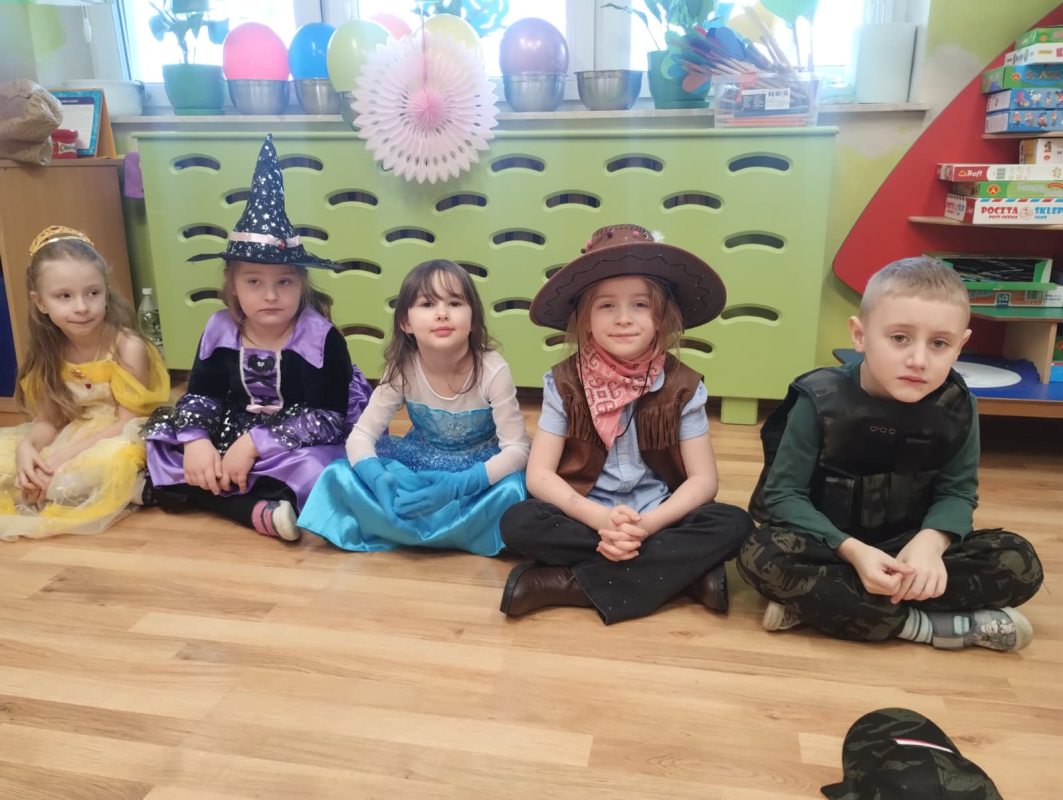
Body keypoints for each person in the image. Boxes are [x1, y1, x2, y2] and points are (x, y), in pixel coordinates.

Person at [739, 256, 1043, 651]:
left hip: (910, 550)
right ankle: (930, 626)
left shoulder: (960, 406)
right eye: (900, 338)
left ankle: (827, 605)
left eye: (939, 343)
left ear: (960, 346)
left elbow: (958, 492)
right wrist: (852, 551)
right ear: (860, 335)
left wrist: (931, 544)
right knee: (759, 554)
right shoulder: (817, 399)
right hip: (831, 547)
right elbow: (783, 495)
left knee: (1020, 562)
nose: (918, 360)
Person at [498, 223, 753, 624]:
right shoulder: (563, 383)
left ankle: (565, 585)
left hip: (658, 515)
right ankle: (682, 578)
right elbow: (540, 476)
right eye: (606, 306)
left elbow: (704, 481)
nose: (623, 319)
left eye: (639, 305)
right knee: (517, 523)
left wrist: (646, 527)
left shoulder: (683, 386)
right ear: (584, 319)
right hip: (587, 515)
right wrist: (602, 521)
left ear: (661, 317)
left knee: (734, 524)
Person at [143, 135, 371, 542]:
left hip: (296, 437)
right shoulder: (219, 328)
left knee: (323, 471)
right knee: (164, 443)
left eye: (284, 282)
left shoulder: (321, 338)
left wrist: (255, 444)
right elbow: (202, 394)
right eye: (254, 281)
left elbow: (328, 417)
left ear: (301, 284)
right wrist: (197, 442)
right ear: (232, 283)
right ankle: (250, 506)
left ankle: (224, 498)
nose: (270, 295)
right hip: (233, 425)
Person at [297, 259, 529, 556]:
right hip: (420, 462)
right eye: (427, 304)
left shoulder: (493, 370)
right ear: (405, 322)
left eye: (455, 303)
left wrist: (464, 483)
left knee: (511, 490)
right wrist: (375, 476)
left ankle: (403, 528)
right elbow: (361, 435)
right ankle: (448, 530)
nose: (442, 313)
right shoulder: (402, 368)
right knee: (338, 473)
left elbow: (518, 449)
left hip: (476, 470)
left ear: (473, 319)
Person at [0, 225, 169, 540]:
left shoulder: (126, 347)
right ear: (40, 302)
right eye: (64, 296)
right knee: (13, 466)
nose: (81, 306)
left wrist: (63, 457)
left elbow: (129, 421)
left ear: (106, 291)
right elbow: (49, 421)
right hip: (72, 430)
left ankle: (137, 485)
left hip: (120, 433)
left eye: (93, 293)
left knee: (89, 470)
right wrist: (28, 447)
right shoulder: (49, 352)